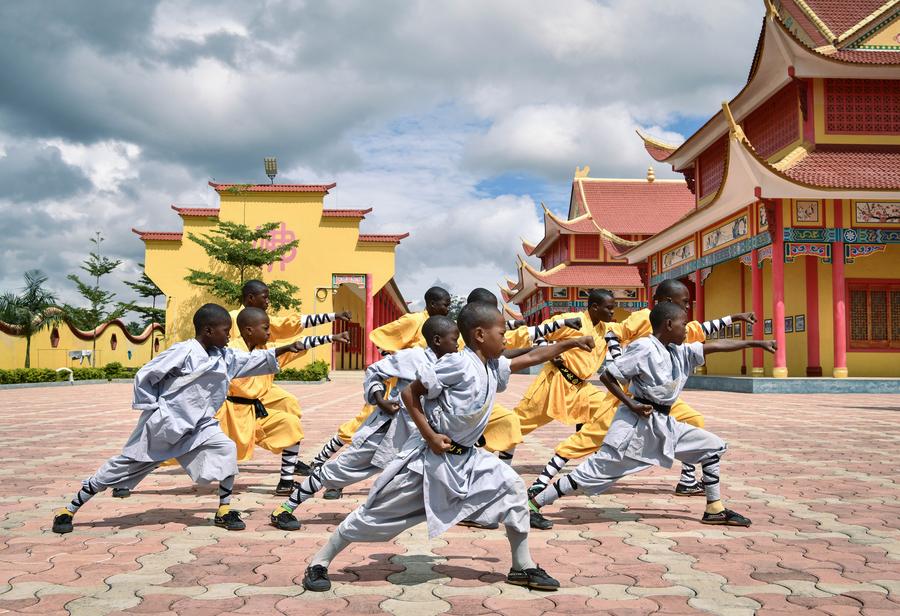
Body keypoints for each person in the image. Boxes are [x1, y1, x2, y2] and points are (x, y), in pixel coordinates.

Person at [300, 302, 595, 593]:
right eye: (501, 332)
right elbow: (409, 392)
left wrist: (573, 342)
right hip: (429, 463)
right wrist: (429, 436)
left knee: (514, 489)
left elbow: (533, 356)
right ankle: (319, 562)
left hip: (469, 460)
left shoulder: (491, 366)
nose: (506, 338)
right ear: (480, 335)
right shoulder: (457, 364)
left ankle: (522, 566)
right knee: (374, 516)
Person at [51, 304, 309, 534]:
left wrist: (286, 347)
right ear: (208, 331)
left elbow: (252, 360)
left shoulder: (223, 356)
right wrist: (154, 408)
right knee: (120, 468)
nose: (229, 336)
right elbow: (146, 375)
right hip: (165, 427)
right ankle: (70, 509)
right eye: (225, 330)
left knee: (226, 448)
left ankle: (223, 510)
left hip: (200, 426)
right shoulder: (183, 352)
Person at [527, 302, 776, 529]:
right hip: (634, 427)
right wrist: (631, 404)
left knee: (711, 447)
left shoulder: (677, 351)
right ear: (668, 325)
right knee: (593, 471)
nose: (687, 330)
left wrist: (755, 344)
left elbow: (714, 346)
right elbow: (608, 376)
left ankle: (714, 509)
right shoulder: (644, 347)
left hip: (664, 424)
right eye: (683, 324)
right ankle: (534, 504)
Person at [269, 315, 460, 530]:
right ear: (436, 340)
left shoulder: (450, 365)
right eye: (454, 340)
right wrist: (380, 400)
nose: (457, 345)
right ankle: (285, 508)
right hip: (388, 432)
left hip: (421, 436)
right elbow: (375, 372)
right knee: (338, 470)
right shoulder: (412, 358)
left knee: (443, 471)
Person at [299, 286, 451, 495]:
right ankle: (325, 468)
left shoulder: (444, 328)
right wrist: (398, 358)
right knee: (362, 428)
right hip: (397, 388)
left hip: (421, 394)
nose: (448, 309)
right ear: (433, 304)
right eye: (446, 305)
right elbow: (379, 335)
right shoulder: (413, 320)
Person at [215, 308, 350, 495]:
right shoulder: (233, 351)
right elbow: (251, 360)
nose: (270, 333)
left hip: (255, 413)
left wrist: (332, 338)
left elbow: (298, 345)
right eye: (266, 328)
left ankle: (285, 482)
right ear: (249, 330)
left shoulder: (267, 348)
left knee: (290, 424)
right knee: (222, 458)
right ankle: (223, 506)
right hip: (231, 416)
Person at [494, 289, 620, 468]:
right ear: (594, 307)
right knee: (518, 424)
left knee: (608, 410)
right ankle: (499, 465)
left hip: (581, 389)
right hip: (555, 382)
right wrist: (549, 352)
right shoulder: (573, 321)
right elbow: (541, 333)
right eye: (609, 308)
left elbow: (630, 328)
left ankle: (595, 464)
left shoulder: (606, 330)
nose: (612, 312)